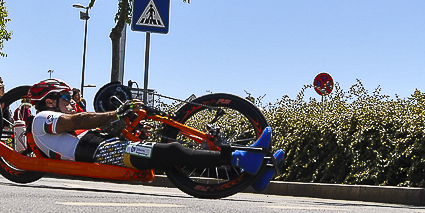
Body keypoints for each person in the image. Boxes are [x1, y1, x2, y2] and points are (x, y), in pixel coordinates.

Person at [24, 78, 273, 173]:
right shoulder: (41, 119)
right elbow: (78, 120)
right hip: (104, 154)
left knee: (167, 146)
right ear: (50, 101)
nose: (72, 101)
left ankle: (258, 174)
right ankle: (239, 158)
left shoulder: (63, 124)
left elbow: (89, 127)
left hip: (108, 148)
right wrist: (116, 112)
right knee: (172, 151)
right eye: (66, 97)